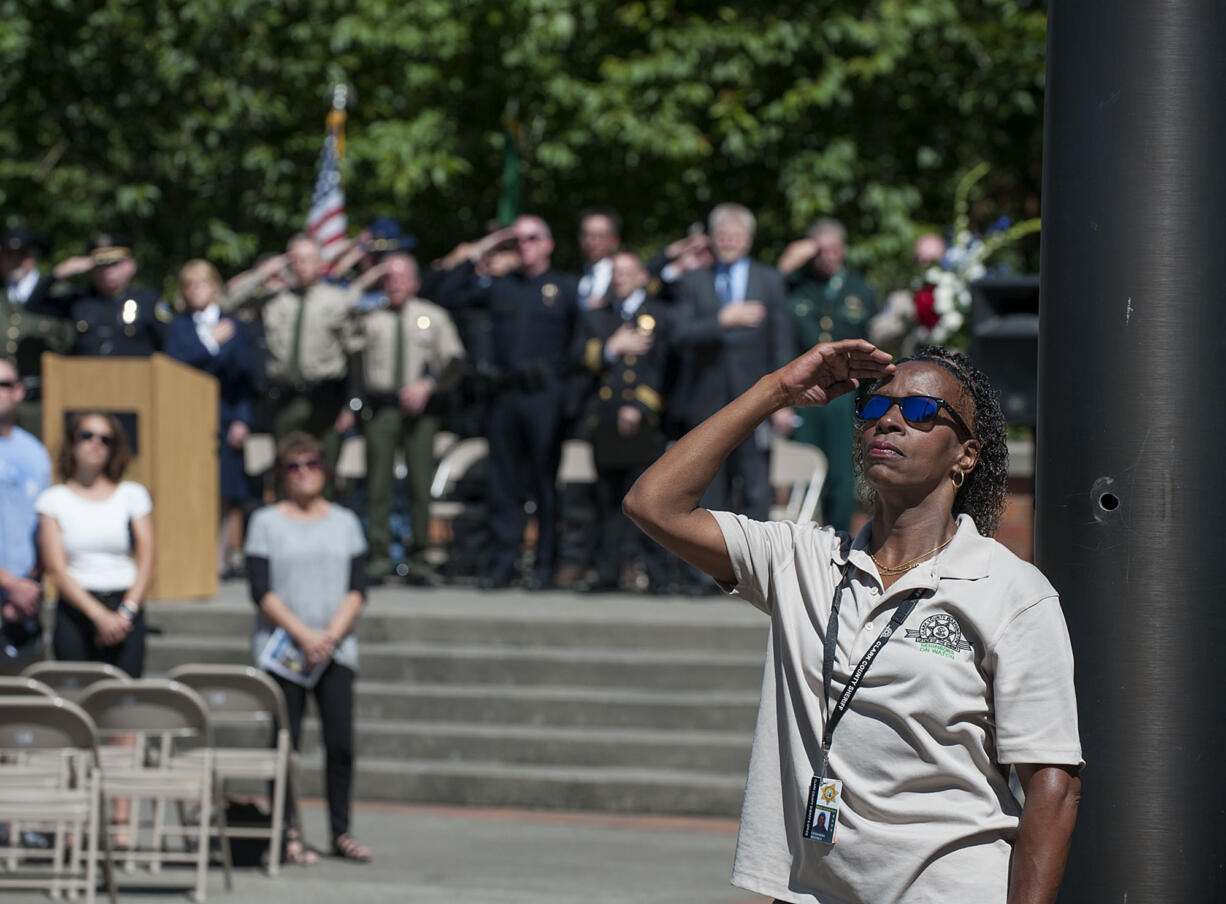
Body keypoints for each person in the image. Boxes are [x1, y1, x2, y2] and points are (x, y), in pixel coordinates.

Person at [625, 341, 1081, 904]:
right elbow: (654, 504)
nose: (888, 420)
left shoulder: (1013, 592)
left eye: (918, 412)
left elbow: (1053, 789)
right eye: (874, 407)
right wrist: (777, 391)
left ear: (965, 455)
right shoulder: (801, 558)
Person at [244, 431, 371, 865]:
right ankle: (286, 831)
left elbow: (357, 588)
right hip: (284, 649)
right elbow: (261, 591)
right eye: (294, 467)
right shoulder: (265, 522)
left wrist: (329, 636)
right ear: (282, 475)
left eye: (312, 464)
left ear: (325, 469)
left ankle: (341, 831)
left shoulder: (345, 522)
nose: (303, 474)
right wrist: (303, 634)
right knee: (284, 742)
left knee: (340, 743)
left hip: (334, 651)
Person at [458, 216, 578, 589]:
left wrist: (564, 393)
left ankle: (544, 566)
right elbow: (445, 292)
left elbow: (580, 344)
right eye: (517, 240)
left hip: (545, 395)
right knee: (503, 485)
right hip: (505, 395)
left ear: (548, 244)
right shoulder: (499, 287)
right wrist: (486, 246)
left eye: (530, 239)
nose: (523, 246)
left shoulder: (565, 287)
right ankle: (502, 564)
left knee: (544, 485)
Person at [671, 203, 794, 524]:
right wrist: (722, 320)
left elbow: (781, 342)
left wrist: (784, 400)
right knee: (709, 488)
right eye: (722, 234)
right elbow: (679, 334)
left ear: (748, 239)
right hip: (706, 401)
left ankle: (757, 570)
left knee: (755, 486)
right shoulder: (694, 281)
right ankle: (705, 573)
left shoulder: (768, 280)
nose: (728, 241)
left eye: (735, 235)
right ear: (712, 238)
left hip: (756, 398)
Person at [354, 253, 465, 584]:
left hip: (421, 412)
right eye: (388, 278)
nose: (396, 283)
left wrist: (428, 385)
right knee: (378, 485)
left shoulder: (432, 316)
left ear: (415, 282)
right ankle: (378, 557)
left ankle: (419, 558)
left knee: (420, 485)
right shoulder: (369, 319)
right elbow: (351, 362)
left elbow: (455, 363)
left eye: (402, 277)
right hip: (382, 408)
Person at [573, 251, 673, 592]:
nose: (620, 279)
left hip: (646, 424)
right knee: (607, 501)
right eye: (615, 273)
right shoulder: (597, 317)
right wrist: (611, 348)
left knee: (650, 501)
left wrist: (641, 406)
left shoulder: (659, 316)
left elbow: (666, 368)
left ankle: (658, 575)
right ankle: (607, 572)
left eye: (627, 272)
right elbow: (579, 357)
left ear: (642, 276)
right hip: (605, 423)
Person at [224, 234, 362, 472]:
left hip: (325, 397)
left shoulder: (339, 300)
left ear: (320, 263)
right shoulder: (274, 301)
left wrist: (352, 403)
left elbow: (356, 356)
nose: (301, 265)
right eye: (295, 259)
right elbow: (227, 303)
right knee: (286, 471)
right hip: (285, 399)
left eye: (307, 259)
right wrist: (263, 272)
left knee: (323, 470)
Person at [778, 218, 881, 532]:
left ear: (844, 250)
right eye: (820, 250)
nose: (827, 257)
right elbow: (767, 289)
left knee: (840, 473)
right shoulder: (795, 286)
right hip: (802, 391)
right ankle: (800, 540)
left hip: (844, 391)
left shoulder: (861, 290)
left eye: (833, 250)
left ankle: (840, 539)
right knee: (802, 472)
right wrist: (793, 259)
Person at [36, 412, 153, 678]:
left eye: (105, 439)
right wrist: (99, 616)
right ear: (72, 443)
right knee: (76, 701)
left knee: (122, 701)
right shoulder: (53, 499)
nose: (95, 443)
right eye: (87, 435)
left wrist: (124, 613)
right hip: (76, 610)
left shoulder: (132, 495)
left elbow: (147, 558)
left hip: (125, 608)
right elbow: (56, 568)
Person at [165, 260, 258, 577]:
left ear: (215, 287)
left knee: (225, 492)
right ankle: (192, 555)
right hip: (186, 419)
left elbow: (244, 379)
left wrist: (243, 420)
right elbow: (175, 365)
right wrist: (208, 344)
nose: (195, 291)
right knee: (190, 488)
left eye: (201, 284)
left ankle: (219, 559)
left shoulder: (233, 325)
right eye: (189, 285)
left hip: (225, 418)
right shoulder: (177, 327)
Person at [0, 357, 51, 672]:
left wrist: (29, 585)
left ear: (18, 391)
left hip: (25, 599)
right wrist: (10, 585)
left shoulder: (35, 452)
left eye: (3, 384)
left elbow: (45, 526)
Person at [0, 228, 72, 437]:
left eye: (22, 254)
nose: (15, 260)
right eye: (8, 254)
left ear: (34, 257)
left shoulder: (58, 297)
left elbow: (69, 345)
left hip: (41, 403)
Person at [45, 233, 166, 356]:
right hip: (85, 374)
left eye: (114, 264)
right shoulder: (79, 300)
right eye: (100, 265)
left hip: (135, 374)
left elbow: (167, 344)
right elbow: (34, 305)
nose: (108, 271)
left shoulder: (147, 300)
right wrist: (56, 274)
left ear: (131, 266)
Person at [576, 208, 621, 310]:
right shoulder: (572, 277)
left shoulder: (621, 277)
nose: (592, 242)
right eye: (586, 235)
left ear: (615, 240)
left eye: (600, 235)